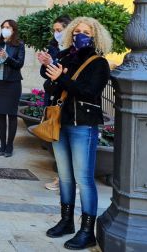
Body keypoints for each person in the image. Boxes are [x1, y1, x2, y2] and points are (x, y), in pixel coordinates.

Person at [44, 17, 111, 250]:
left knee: (84, 178)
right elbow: (51, 89)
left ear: (95, 36)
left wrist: (61, 78)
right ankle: (66, 221)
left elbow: (88, 92)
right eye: (77, 31)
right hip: (60, 123)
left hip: (83, 124)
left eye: (85, 32)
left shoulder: (99, 63)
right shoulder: (64, 57)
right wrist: (51, 75)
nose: (79, 35)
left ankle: (87, 231)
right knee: (64, 176)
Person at [36, 15, 72, 191]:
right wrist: (46, 63)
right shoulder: (54, 47)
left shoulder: (73, 50)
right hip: (52, 96)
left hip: (66, 99)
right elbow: (47, 74)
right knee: (57, 137)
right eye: (54, 30)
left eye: (59, 30)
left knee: (68, 139)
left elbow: (65, 72)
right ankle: (62, 178)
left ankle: (70, 180)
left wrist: (53, 63)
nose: (56, 33)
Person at [0, 19, 25, 157]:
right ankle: (2, 145)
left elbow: (19, 64)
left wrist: (7, 57)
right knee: (1, 114)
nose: (5, 29)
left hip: (13, 83)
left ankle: (10, 145)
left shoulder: (19, 44)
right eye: (3, 27)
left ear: (13, 30)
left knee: (12, 114)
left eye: (8, 27)